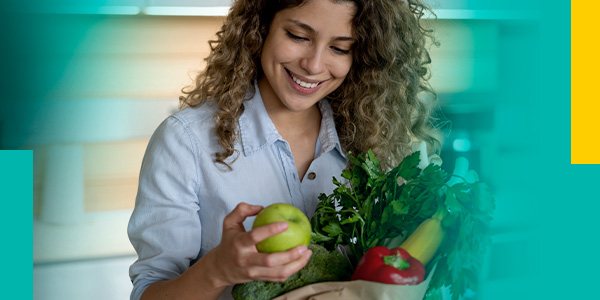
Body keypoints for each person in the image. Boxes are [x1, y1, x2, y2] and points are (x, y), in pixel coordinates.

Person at [127, 0, 444, 299]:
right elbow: (150, 292)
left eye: (339, 48)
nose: (314, 65)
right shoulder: (185, 142)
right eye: (298, 36)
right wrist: (217, 270)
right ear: (262, 26)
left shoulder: (374, 145)